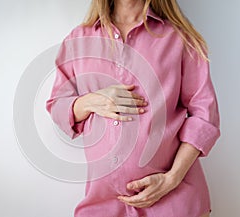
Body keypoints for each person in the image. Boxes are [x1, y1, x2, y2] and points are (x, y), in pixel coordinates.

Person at [46, 0, 220, 216]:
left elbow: (204, 115)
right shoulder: (79, 40)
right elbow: (57, 105)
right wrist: (91, 101)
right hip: (102, 204)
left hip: (174, 200)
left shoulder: (180, 39)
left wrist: (172, 178)